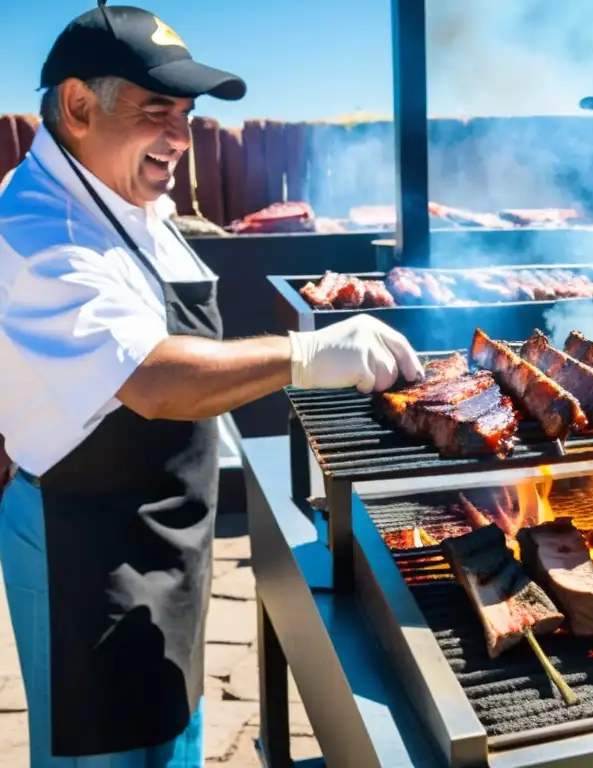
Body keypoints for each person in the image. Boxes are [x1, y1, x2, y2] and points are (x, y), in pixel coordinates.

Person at [0, 5, 423, 766]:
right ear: (76, 104)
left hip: (166, 530)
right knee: (109, 751)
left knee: (169, 739)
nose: (179, 138)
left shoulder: (129, 201)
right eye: (156, 110)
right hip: (87, 547)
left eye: (187, 116)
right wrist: (306, 354)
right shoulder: (39, 230)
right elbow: (154, 381)